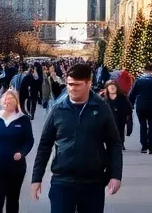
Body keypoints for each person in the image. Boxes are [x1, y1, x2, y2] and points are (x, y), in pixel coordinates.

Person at [31, 62, 123, 212]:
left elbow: (114, 143)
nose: (72, 88)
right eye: (69, 84)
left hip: (93, 182)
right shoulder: (57, 110)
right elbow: (45, 145)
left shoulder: (101, 108)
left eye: (77, 84)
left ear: (88, 83)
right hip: (62, 181)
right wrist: (36, 178)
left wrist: (116, 175)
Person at [127, 64, 152, 155]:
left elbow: (132, 94)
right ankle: (151, 147)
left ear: (144, 70)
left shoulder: (139, 81)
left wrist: (131, 103)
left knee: (142, 125)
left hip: (141, 105)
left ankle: (144, 146)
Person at [102, 81, 133, 150]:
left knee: (120, 130)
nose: (112, 88)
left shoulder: (122, 98)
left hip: (121, 117)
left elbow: (128, 108)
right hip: (109, 119)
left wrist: (127, 116)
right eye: (110, 87)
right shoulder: (104, 99)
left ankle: (121, 143)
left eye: (114, 87)